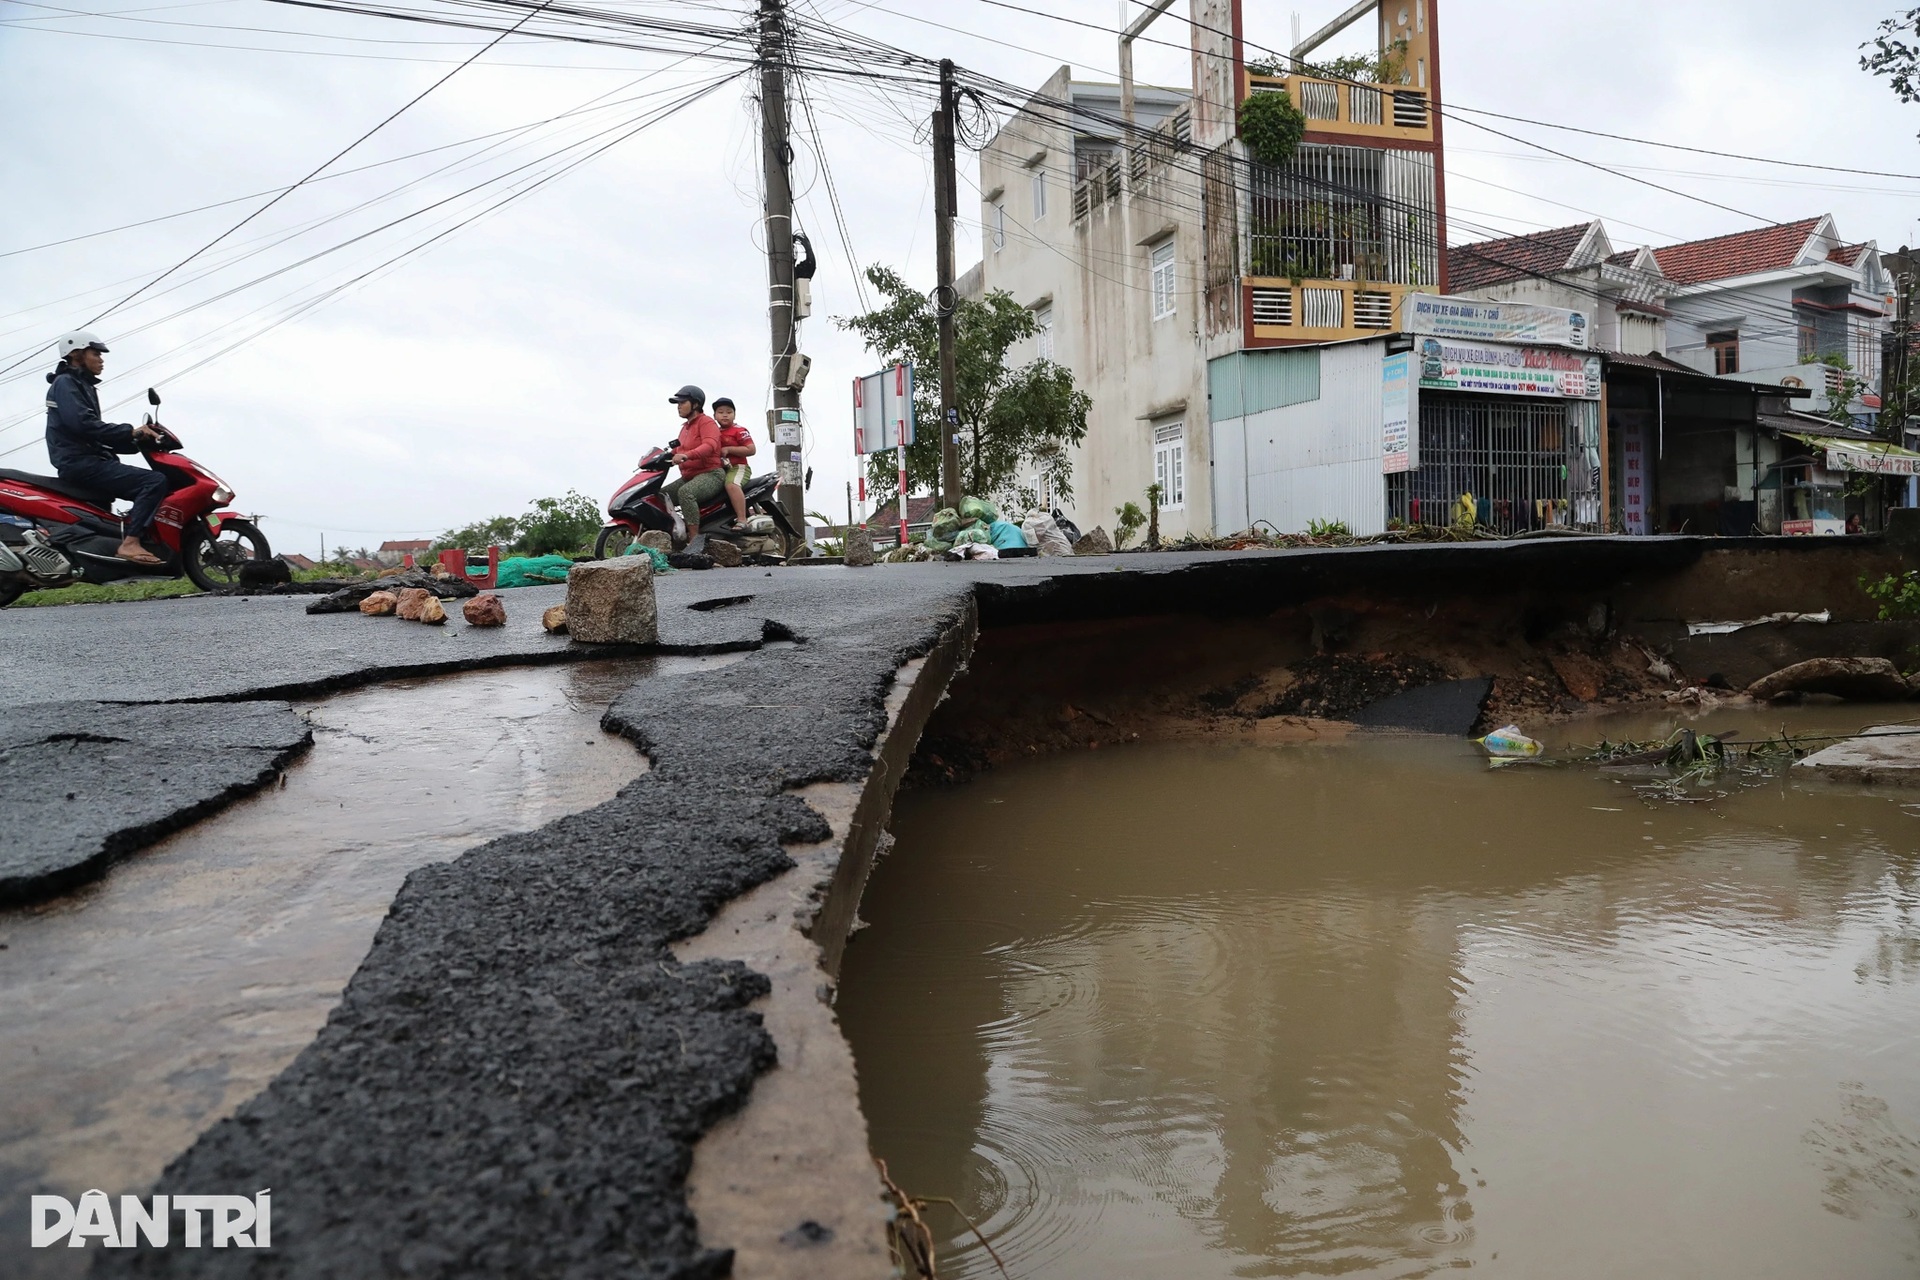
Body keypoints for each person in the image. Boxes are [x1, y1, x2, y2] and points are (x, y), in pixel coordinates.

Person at [44, 331, 167, 564]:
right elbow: (83, 424)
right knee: (153, 481)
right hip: (79, 462)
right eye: (95, 353)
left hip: (87, 458)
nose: (101, 359)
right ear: (76, 354)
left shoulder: (81, 385)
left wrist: (134, 440)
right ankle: (130, 543)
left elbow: (94, 433)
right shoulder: (66, 383)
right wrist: (130, 431)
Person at [662, 384, 723, 546]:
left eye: (682, 402)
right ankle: (671, 536)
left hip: (712, 474)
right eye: (678, 403)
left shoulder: (706, 423)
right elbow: (677, 450)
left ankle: (694, 540)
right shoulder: (685, 428)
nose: (678, 406)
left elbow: (709, 445)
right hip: (689, 476)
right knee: (660, 497)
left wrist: (686, 455)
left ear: (695, 404)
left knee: (686, 492)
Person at [712, 396, 757, 528]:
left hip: (738, 468)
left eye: (729, 412)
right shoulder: (714, 433)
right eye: (720, 412)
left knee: (731, 485)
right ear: (714, 416)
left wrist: (729, 449)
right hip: (720, 470)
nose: (725, 415)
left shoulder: (740, 430)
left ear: (734, 415)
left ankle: (742, 519)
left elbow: (751, 449)